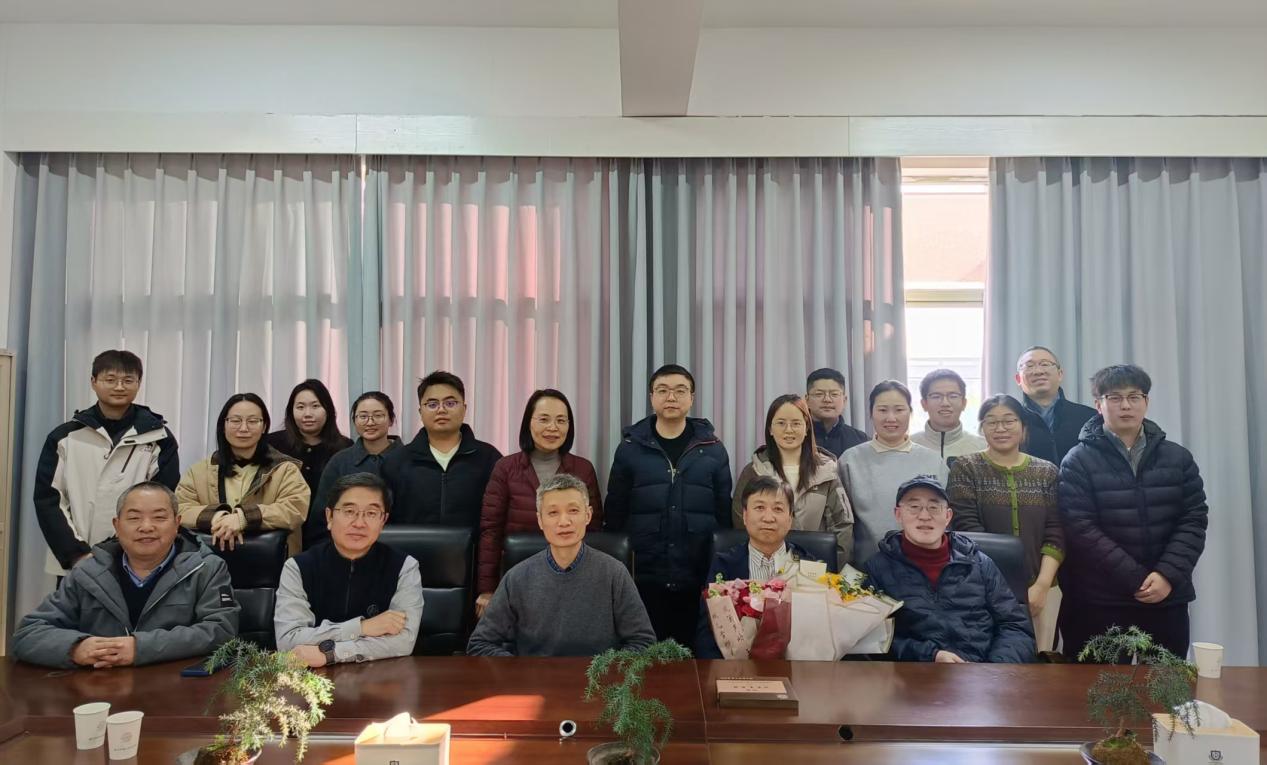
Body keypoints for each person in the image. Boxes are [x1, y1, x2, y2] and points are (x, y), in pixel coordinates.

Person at [1058, 365, 1208, 660]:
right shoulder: (1077, 461)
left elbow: (1194, 518)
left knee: (1167, 685)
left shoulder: (1177, 457)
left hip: (1165, 597)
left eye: (1134, 397)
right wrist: (1135, 577)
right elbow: (1080, 527)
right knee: (1095, 685)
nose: (1125, 405)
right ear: (1098, 405)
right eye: (1114, 398)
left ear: (1146, 402)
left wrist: (1166, 574)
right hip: (1100, 600)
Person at [12, 481, 238, 669]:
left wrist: (140, 648)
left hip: (175, 689)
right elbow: (28, 634)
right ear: (117, 525)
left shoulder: (206, 568)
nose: (146, 527)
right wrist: (75, 648)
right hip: (99, 691)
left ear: (177, 524)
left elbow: (221, 630)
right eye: (134, 518)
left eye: (159, 517)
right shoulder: (87, 572)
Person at [604, 363, 732, 646]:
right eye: (662, 390)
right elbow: (615, 513)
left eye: (679, 390)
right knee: (644, 655)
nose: (671, 397)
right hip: (643, 575)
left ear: (692, 397)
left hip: (697, 574)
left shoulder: (713, 449)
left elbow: (724, 516)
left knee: (694, 657)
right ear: (652, 397)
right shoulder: (630, 449)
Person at [467, 473, 655, 657]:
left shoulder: (614, 573)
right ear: (540, 520)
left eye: (573, 510)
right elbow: (480, 644)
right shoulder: (517, 578)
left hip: (597, 675)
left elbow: (643, 642)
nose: (564, 522)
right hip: (535, 676)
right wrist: (520, 670)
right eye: (553, 513)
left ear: (588, 515)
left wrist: (604, 671)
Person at [34, 350, 180, 578]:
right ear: (93, 382)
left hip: (135, 558)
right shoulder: (65, 437)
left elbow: (162, 498)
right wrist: (77, 554)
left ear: (139, 383)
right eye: (110, 379)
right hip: (75, 560)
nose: (119, 387)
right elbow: (49, 499)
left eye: (128, 380)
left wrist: (115, 551)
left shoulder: (159, 438)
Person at [863, 476, 1035, 663]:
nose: (924, 516)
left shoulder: (979, 563)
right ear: (898, 515)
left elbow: (1015, 627)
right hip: (915, 674)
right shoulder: (877, 569)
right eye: (914, 507)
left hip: (982, 671)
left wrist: (992, 670)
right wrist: (931, 656)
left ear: (948, 516)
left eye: (934, 507)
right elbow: (871, 638)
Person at [948, 394, 1064, 652]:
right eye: (991, 422)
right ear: (982, 428)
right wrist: (1002, 589)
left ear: (1023, 427)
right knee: (993, 663)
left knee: (1042, 660)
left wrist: (1042, 585)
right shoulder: (966, 468)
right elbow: (968, 530)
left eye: (1009, 421)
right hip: (984, 589)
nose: (1000, 428)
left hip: (1043, 587)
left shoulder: (1047, 471)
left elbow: (1056, 531)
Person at [476, 389, 603, 615]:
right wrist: (487, 589)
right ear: (528, 423)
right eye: (544, 419)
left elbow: (593, 531)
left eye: (561, 420)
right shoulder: (506, 468)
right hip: (518, 576)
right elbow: (491, 532)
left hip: (571, 575)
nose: (553, 427)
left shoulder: (583, 469)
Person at [276, 473, 423, 666]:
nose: (359, 523)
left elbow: (403, 642)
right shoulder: (298, 567)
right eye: (349, 511)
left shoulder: (404, 566)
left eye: (371, 513)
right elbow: (288, 640)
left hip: (381, 677)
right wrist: (362, 627)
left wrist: (331, 654)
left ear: (383, 521)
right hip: (313, 680)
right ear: (329, 516)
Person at [697, 475, 824, 659]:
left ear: (790, 519)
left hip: (795, 668)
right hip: (736, 669)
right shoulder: (724, 565)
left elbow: (819, 631)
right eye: (759, 508)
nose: (768, 518)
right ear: (745, 516)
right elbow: (707, 632)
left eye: (778, 509)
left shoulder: (808, 566)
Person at [176, 393, 310, 555]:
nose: (244, 428)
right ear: (223, 425)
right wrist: (216, 517)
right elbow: (179, 509)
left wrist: (243, 518)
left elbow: (295, 509)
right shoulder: (199, 472)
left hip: (270, 561)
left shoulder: (285, 469)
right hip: (208, 561)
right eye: (235, 421)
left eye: (253, 421)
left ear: (264, 427)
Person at [732, 395, 853, 567]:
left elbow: (842, 525)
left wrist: (830, 569)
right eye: (781, 423)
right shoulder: (753, 472)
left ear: (807, 428)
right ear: (770, 429)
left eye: (796, 423)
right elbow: (740, 522)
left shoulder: (827, 472)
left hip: (816, 568)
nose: (788, 430)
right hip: (764, 568)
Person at [838, 381, 947, 566]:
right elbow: (841, 522)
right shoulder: (850, 460)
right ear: (871, 413)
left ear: (910, 412)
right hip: (865, 567)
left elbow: (944, 519)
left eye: (899, 410)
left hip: (924, 566)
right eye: (882, 410)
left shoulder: (933, 460)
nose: (891, 418)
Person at [380, 370, 502, 527]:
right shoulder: (396, 462)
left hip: (472, 543)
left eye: (450, 403)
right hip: (412, 544)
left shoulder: (489, 458)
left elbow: (498, 516)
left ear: (464, 409)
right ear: (420, 412)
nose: (441, 410)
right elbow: (385, 519)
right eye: (432, 405)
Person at [305, 391, 402, 548]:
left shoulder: (410, 459)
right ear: (354, 421)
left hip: (400, 547)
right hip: (345, 548)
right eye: (363, 416)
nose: (370, 422)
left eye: (378, 415)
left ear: (391, 420)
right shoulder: (340, 461)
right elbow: (321, 518)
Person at [267, 379, 353, 495]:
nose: (307, 414)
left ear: (328, 410)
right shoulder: (272, 444)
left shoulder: (345, 447)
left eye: (315, 406)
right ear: (291, 411)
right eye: (300, 407)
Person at [1014, 346, 1097, 466]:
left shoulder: (1090, 418)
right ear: (1018, 379)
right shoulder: (1011, 422)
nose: (1038, 371)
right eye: (1029, 366)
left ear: (1060, 374)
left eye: (1045, 364)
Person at [910, 369, 986, 466]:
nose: (945, 403)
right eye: (936, 396)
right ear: (924, 404)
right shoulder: (908, 447)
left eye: (953, 396)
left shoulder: (983, 448)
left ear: (964, 403)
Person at [806, 368, 868, 458]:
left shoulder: (860, 440)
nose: (827, 399)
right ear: (807, 400)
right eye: (819, 394)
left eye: (834, 394)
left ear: (844, 400)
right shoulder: (796, 437)